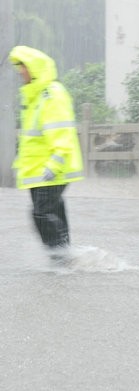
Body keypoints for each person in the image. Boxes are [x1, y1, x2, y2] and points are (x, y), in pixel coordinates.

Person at [9, 46, 84, 253]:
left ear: (34, 68)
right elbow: (33, 139)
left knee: (41, 214)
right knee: (53, 210)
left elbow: (61, 132)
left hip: (51, 170)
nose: (20, 72)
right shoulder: (35, 96)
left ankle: (61, 256)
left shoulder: (51, 95)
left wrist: (55, 163)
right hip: (39, 169)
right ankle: (63, 254)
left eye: (23, 67)